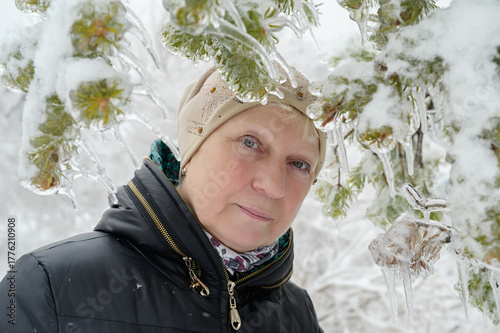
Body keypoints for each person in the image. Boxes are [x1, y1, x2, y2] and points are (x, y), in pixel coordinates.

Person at [0, 66, 327, 332]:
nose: (273, 185)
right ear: (192, 149)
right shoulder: (51, 288)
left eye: (299, 164)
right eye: (250, 143)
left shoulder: (298, 316)